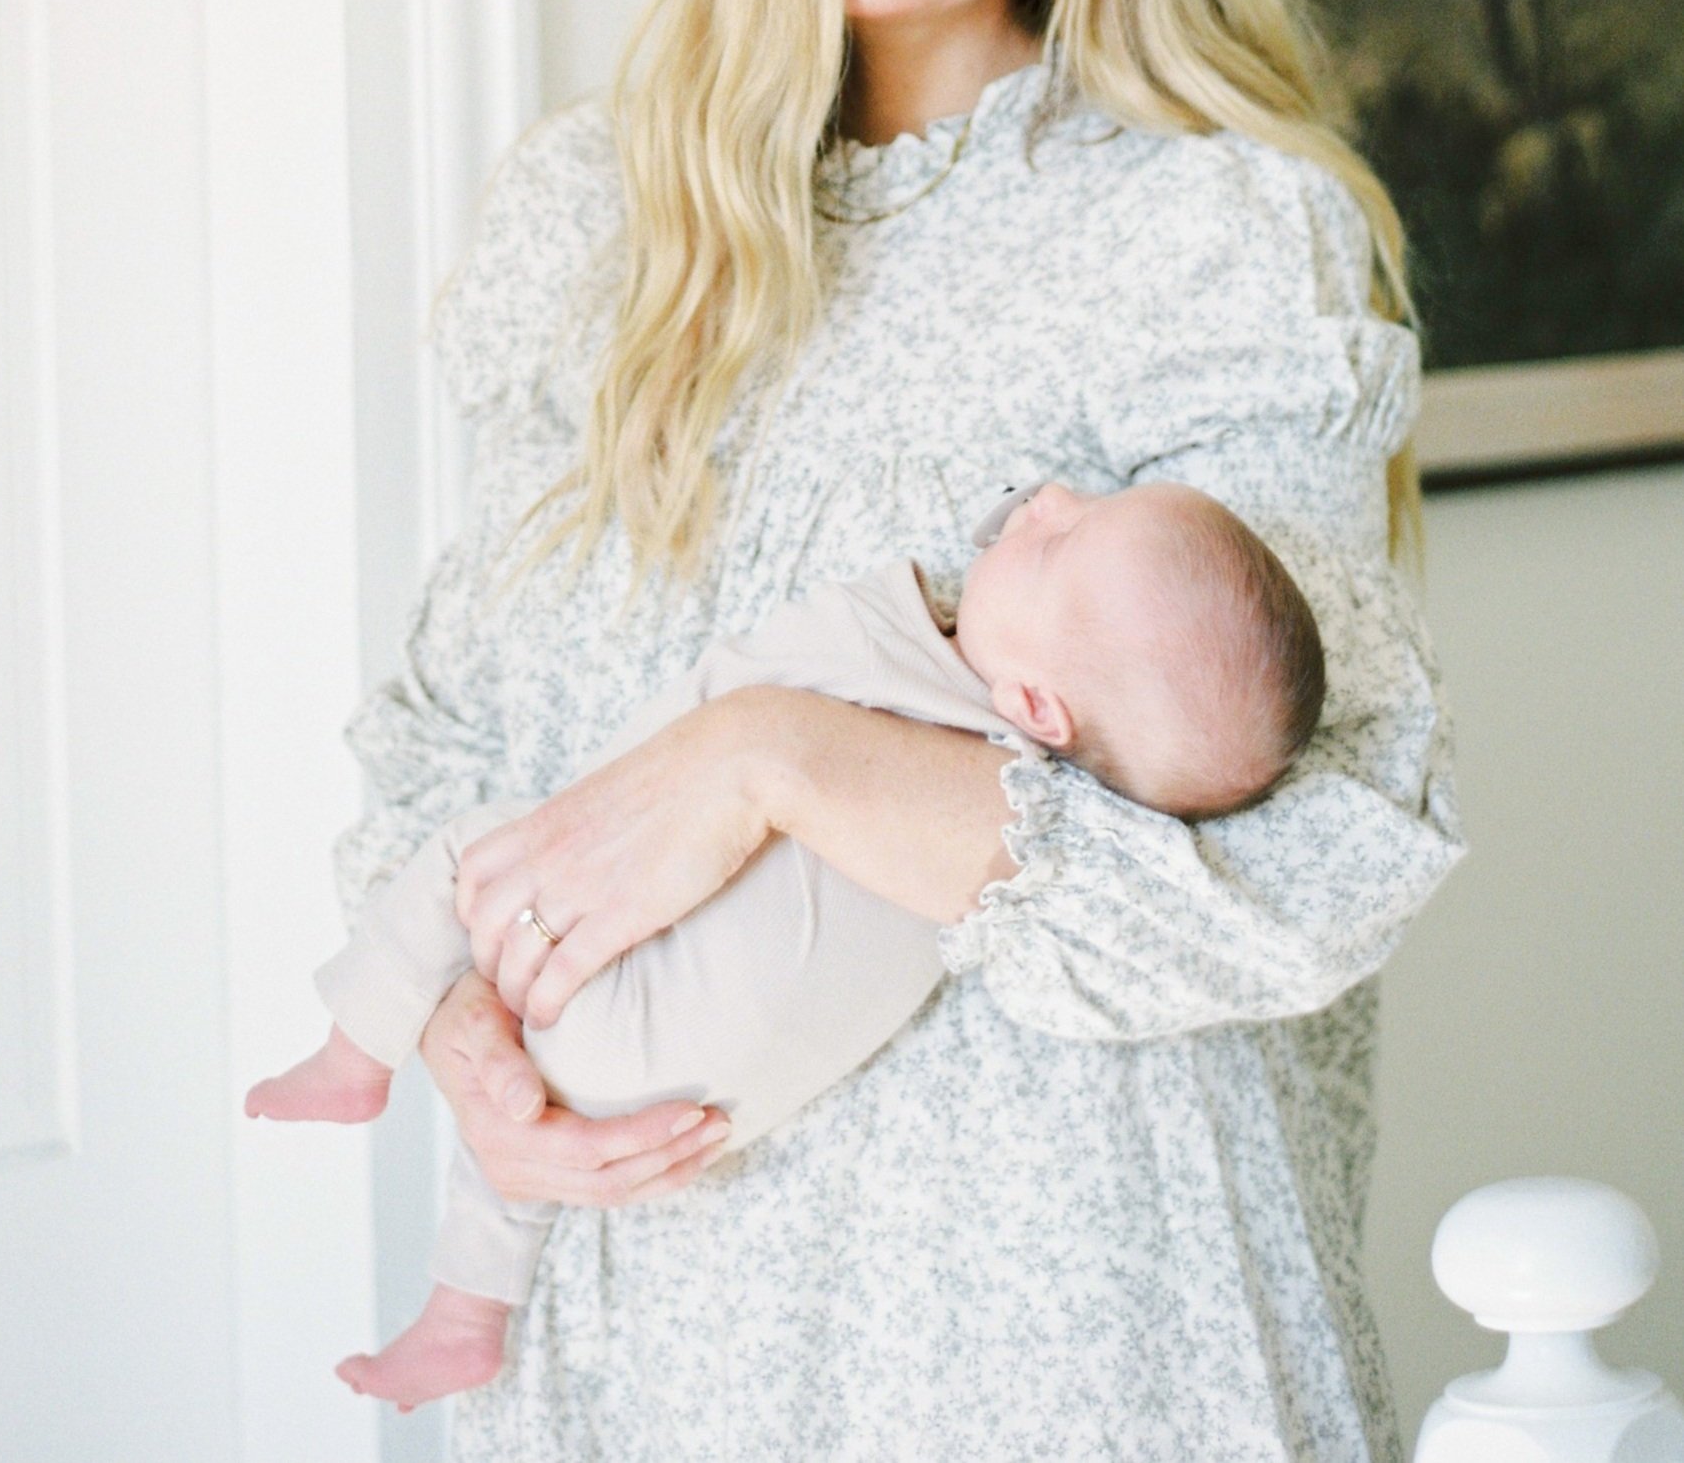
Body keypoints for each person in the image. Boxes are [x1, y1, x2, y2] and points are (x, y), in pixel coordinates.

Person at [335, 0, 1462, 1462]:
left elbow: (1291, 876)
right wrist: (463, 1029)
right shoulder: (592, 216)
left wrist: (768, 754)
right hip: (652, 1333)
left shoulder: (1206, 237)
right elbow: (452, 738)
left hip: (1055, 1338)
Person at [255, 478, 1325, 1410]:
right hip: (681, 1109)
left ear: (1038, 706)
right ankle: (464, 1312)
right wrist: (469, 1014)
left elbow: (731, 698)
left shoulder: (895, 658)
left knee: (468, 855)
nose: (1046, 498)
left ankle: (354, 1047)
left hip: (608, 1036)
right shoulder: (1008, 831)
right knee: (523, 1111)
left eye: (1057, 540)